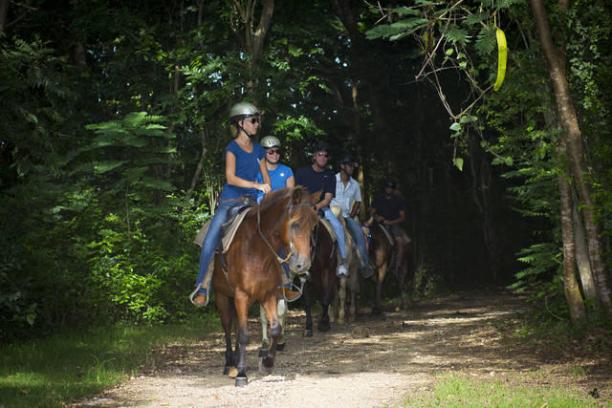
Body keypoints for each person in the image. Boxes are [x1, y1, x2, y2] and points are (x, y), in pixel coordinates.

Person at [190, 102, 271, 307]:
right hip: (230, 202)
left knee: (275, 231)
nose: (257, 124)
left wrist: (267, 188)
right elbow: (231, 178)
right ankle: (202, 286)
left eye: (258, 120)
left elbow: (266, 177)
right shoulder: (232, 148)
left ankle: (284, 280)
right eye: (253, 120)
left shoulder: (260, 150)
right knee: (211, 239)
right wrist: (256, 185)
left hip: (252, 203)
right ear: (241, 123)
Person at [256, 135, 296, 349]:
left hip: (281, 217)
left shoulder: (286, 171)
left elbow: (291, 194)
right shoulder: (257, 172)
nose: (274, 154)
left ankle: (293, 274)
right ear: (263, 152)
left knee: (296, 237)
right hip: (260, 215)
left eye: (277, 151)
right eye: (270, 151)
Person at [295, 142, 348, 277]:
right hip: (302, 209)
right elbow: (295, 193)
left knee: (338, 227)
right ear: (314, 156)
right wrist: (304, 208)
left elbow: (328, 198)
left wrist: (316, 207)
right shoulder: (302, 172)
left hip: (322, 209)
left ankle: (342, 262)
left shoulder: (330, 175)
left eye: (325, 156)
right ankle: (291, 263)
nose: (322, 158)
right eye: (320, 155)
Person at [331, 154, 373, 278]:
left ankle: (364, 264)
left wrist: (352, 214)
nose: (352, 168)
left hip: (346, 216)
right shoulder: (332, 180)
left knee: (361, 233)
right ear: (342, 166)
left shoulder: (355, 184)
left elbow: (358, 201)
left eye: (353, 166)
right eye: (349, 165)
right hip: (332, 214)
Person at [369, 180, 410, 273]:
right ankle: (365, 261)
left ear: (393, 190)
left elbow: (402, 217)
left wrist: (390, 222)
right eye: (387, 188)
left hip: (393, 224)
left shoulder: (399, 200)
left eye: (391, 188)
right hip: (378, 224)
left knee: (399, 241)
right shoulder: (379, 198)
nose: (388, 190)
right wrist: (376, 217)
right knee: (368, 236)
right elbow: (372, 210)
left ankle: (397, 265)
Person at [256, 135, 295, 203]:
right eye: (271, 152)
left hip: (281, 205)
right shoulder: (255, 171)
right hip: (260, 205)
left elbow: (290, 193)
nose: (275, 154)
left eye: (277, 151)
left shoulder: (287, 170)